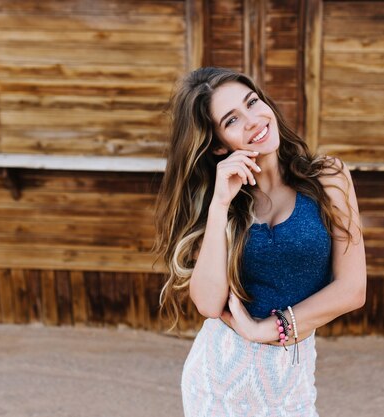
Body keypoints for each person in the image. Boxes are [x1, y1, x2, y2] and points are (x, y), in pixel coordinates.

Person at [154, 67, 367, 417]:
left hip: (291, 384)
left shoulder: (328, 177)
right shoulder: (219, 200)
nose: (254, 120)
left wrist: (267, 329)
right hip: (218, 385)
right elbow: (208, 303)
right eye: (233, 120)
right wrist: (221, 203)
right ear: (219, 144)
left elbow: (353, 289)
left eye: (253, 102)